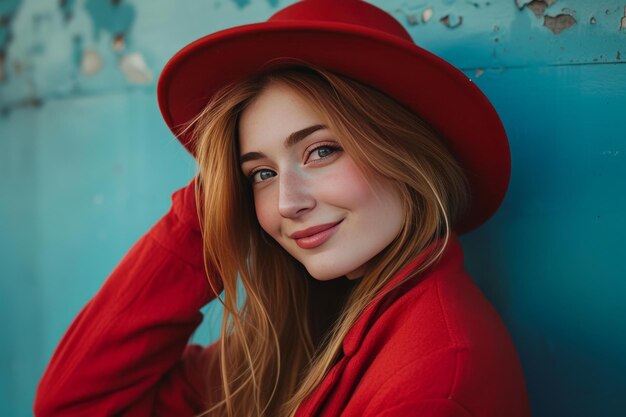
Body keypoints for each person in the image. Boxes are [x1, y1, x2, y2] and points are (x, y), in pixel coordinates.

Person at [34, 0, 531, 416]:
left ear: (406, 152)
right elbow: (76, 404)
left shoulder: (430, 387)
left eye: (321, 151)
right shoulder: (310, 327)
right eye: (261, 174)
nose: (288, 204)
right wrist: (211, 208)